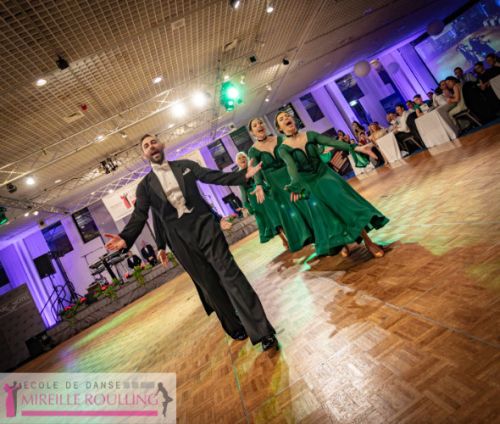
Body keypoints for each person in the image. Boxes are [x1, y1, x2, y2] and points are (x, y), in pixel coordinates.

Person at [104, 134, 278, 351]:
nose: (151, 146)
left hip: (205, 228)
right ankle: (234, 326)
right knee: (211, 287)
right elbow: (140, 215)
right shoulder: (145, 186)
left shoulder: (186, 165)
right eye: (146, 146)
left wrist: (243, 176)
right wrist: (125, 237)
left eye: (154, 142)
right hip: (180, 241)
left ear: (162, 144)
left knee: (231, 276)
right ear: (144, 154)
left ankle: (263, 331)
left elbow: (212, 176)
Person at [275, 111, 388, 258]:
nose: (286, 118)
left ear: (293, 119)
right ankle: (343, 243)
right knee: (329, 217)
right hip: (310, 185)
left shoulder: (310, 135)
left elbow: (333, 142)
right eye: (281, 119)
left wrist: (356, 148)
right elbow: (291, 168)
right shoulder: (283, 149)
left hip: (326, 176)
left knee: (347, 208)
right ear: (280, 128)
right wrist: (294, 185)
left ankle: (368, 242)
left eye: (287, 116)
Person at [247, 118, 313, 253]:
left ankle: (317, 230)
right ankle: (304, 236)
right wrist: (258, 184)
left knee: (304, 203)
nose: (259, 125)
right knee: (290, 210)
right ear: (252, 132)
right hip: (276, 185)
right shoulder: (252, 151)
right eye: (255, 125)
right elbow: (256, 170)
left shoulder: (280, 139)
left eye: (260, 123)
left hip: (291, 176)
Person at [235, 151, 287, 248]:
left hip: (264, 193)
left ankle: (287, 236)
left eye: (243, 157)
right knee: (269, 220)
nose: (242, 159)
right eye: (239, 158)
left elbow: (263, 179)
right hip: (255, 200)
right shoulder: (238, 176)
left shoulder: (254, 168)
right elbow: (243, 192)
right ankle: (283, 240)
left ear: (247, 158)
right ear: (237, 162)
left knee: (276, 215)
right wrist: (247, 205)